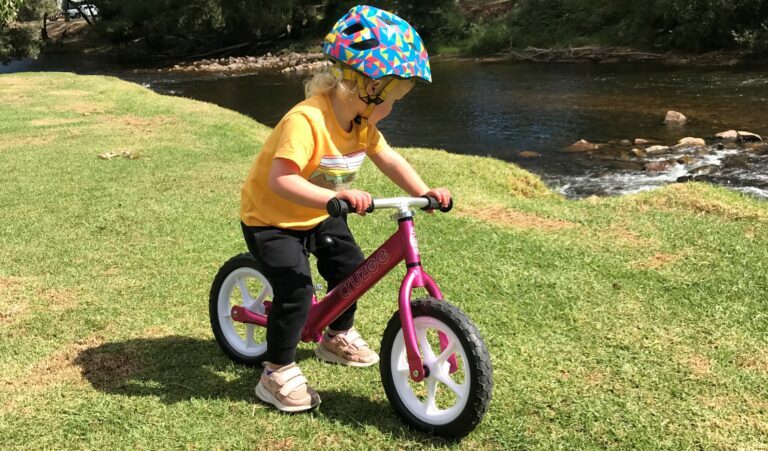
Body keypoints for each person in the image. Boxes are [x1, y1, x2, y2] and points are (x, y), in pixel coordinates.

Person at [240, 5, 451, 413]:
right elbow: (280, 180)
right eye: (395, 96)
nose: (395, 105)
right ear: (365, 88)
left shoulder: (364, 125)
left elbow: (390, 160)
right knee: (295, 289)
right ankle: (276, 372)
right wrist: (336, 200)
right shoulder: (307, 121)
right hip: (272, 218)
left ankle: (336, 336)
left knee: (352, 269)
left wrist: (426, 191)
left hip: (320, 212)